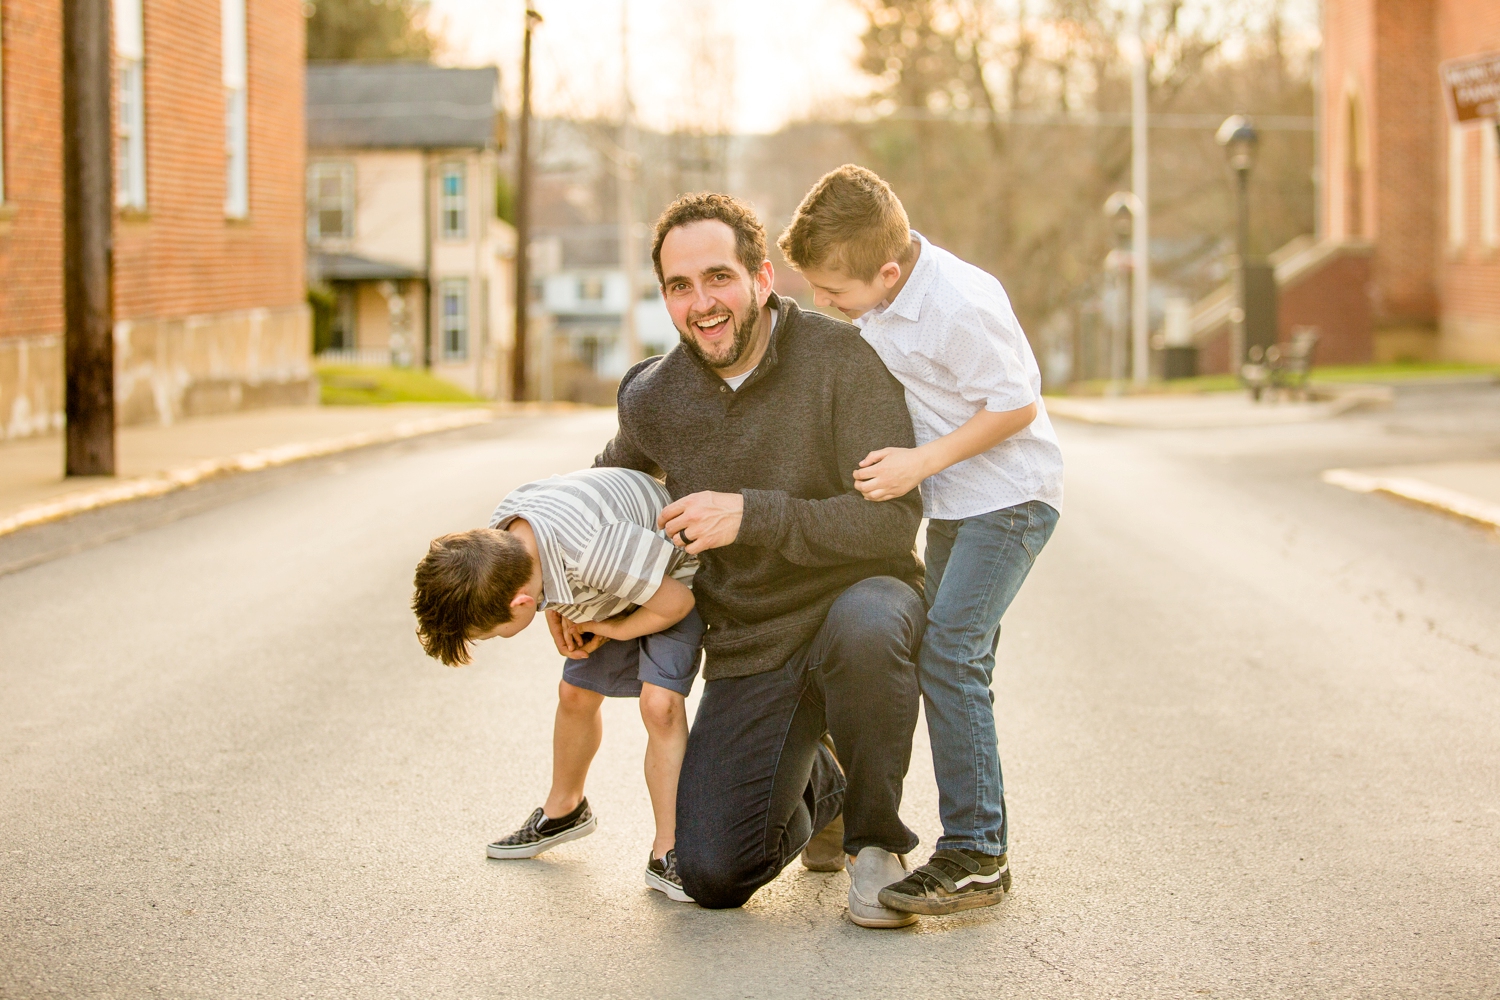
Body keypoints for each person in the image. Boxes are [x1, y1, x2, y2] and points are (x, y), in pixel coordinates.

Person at [596, 192, 929, 928]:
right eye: (680, 287)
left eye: (718, 277)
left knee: (871, 624)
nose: (702, 303)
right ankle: (825, 790)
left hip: (857, 602)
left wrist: (751, 515)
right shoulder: (654, 396)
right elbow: (606, 496)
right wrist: (572, 592)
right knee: (713, 873)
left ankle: (876, 845)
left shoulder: (843, 358)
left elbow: (893, 522)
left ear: (762, 278)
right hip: (753, 644)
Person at [777, 164, 1064, 916]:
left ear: (889, 271)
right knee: (949, 662)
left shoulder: (958, 304)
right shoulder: (878, 295)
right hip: (958, 507)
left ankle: (977, 851)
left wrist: (921, 463)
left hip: (1011, 501)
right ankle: (973, 843)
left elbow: (1018, 405)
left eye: (834, 292)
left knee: (951, 653)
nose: (824, 304)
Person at [411, 466, 702, 902]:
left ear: (520, 602)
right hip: (612, 582)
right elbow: (549, 575)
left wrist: (613, 629)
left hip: (675, 577)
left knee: (658, 706)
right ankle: (566, 808)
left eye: (489, 634)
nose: (492, 640)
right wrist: (561, 609)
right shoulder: (506, 532)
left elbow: (678, 604)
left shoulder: (593, 555)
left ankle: (669, 850)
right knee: (575, 692)